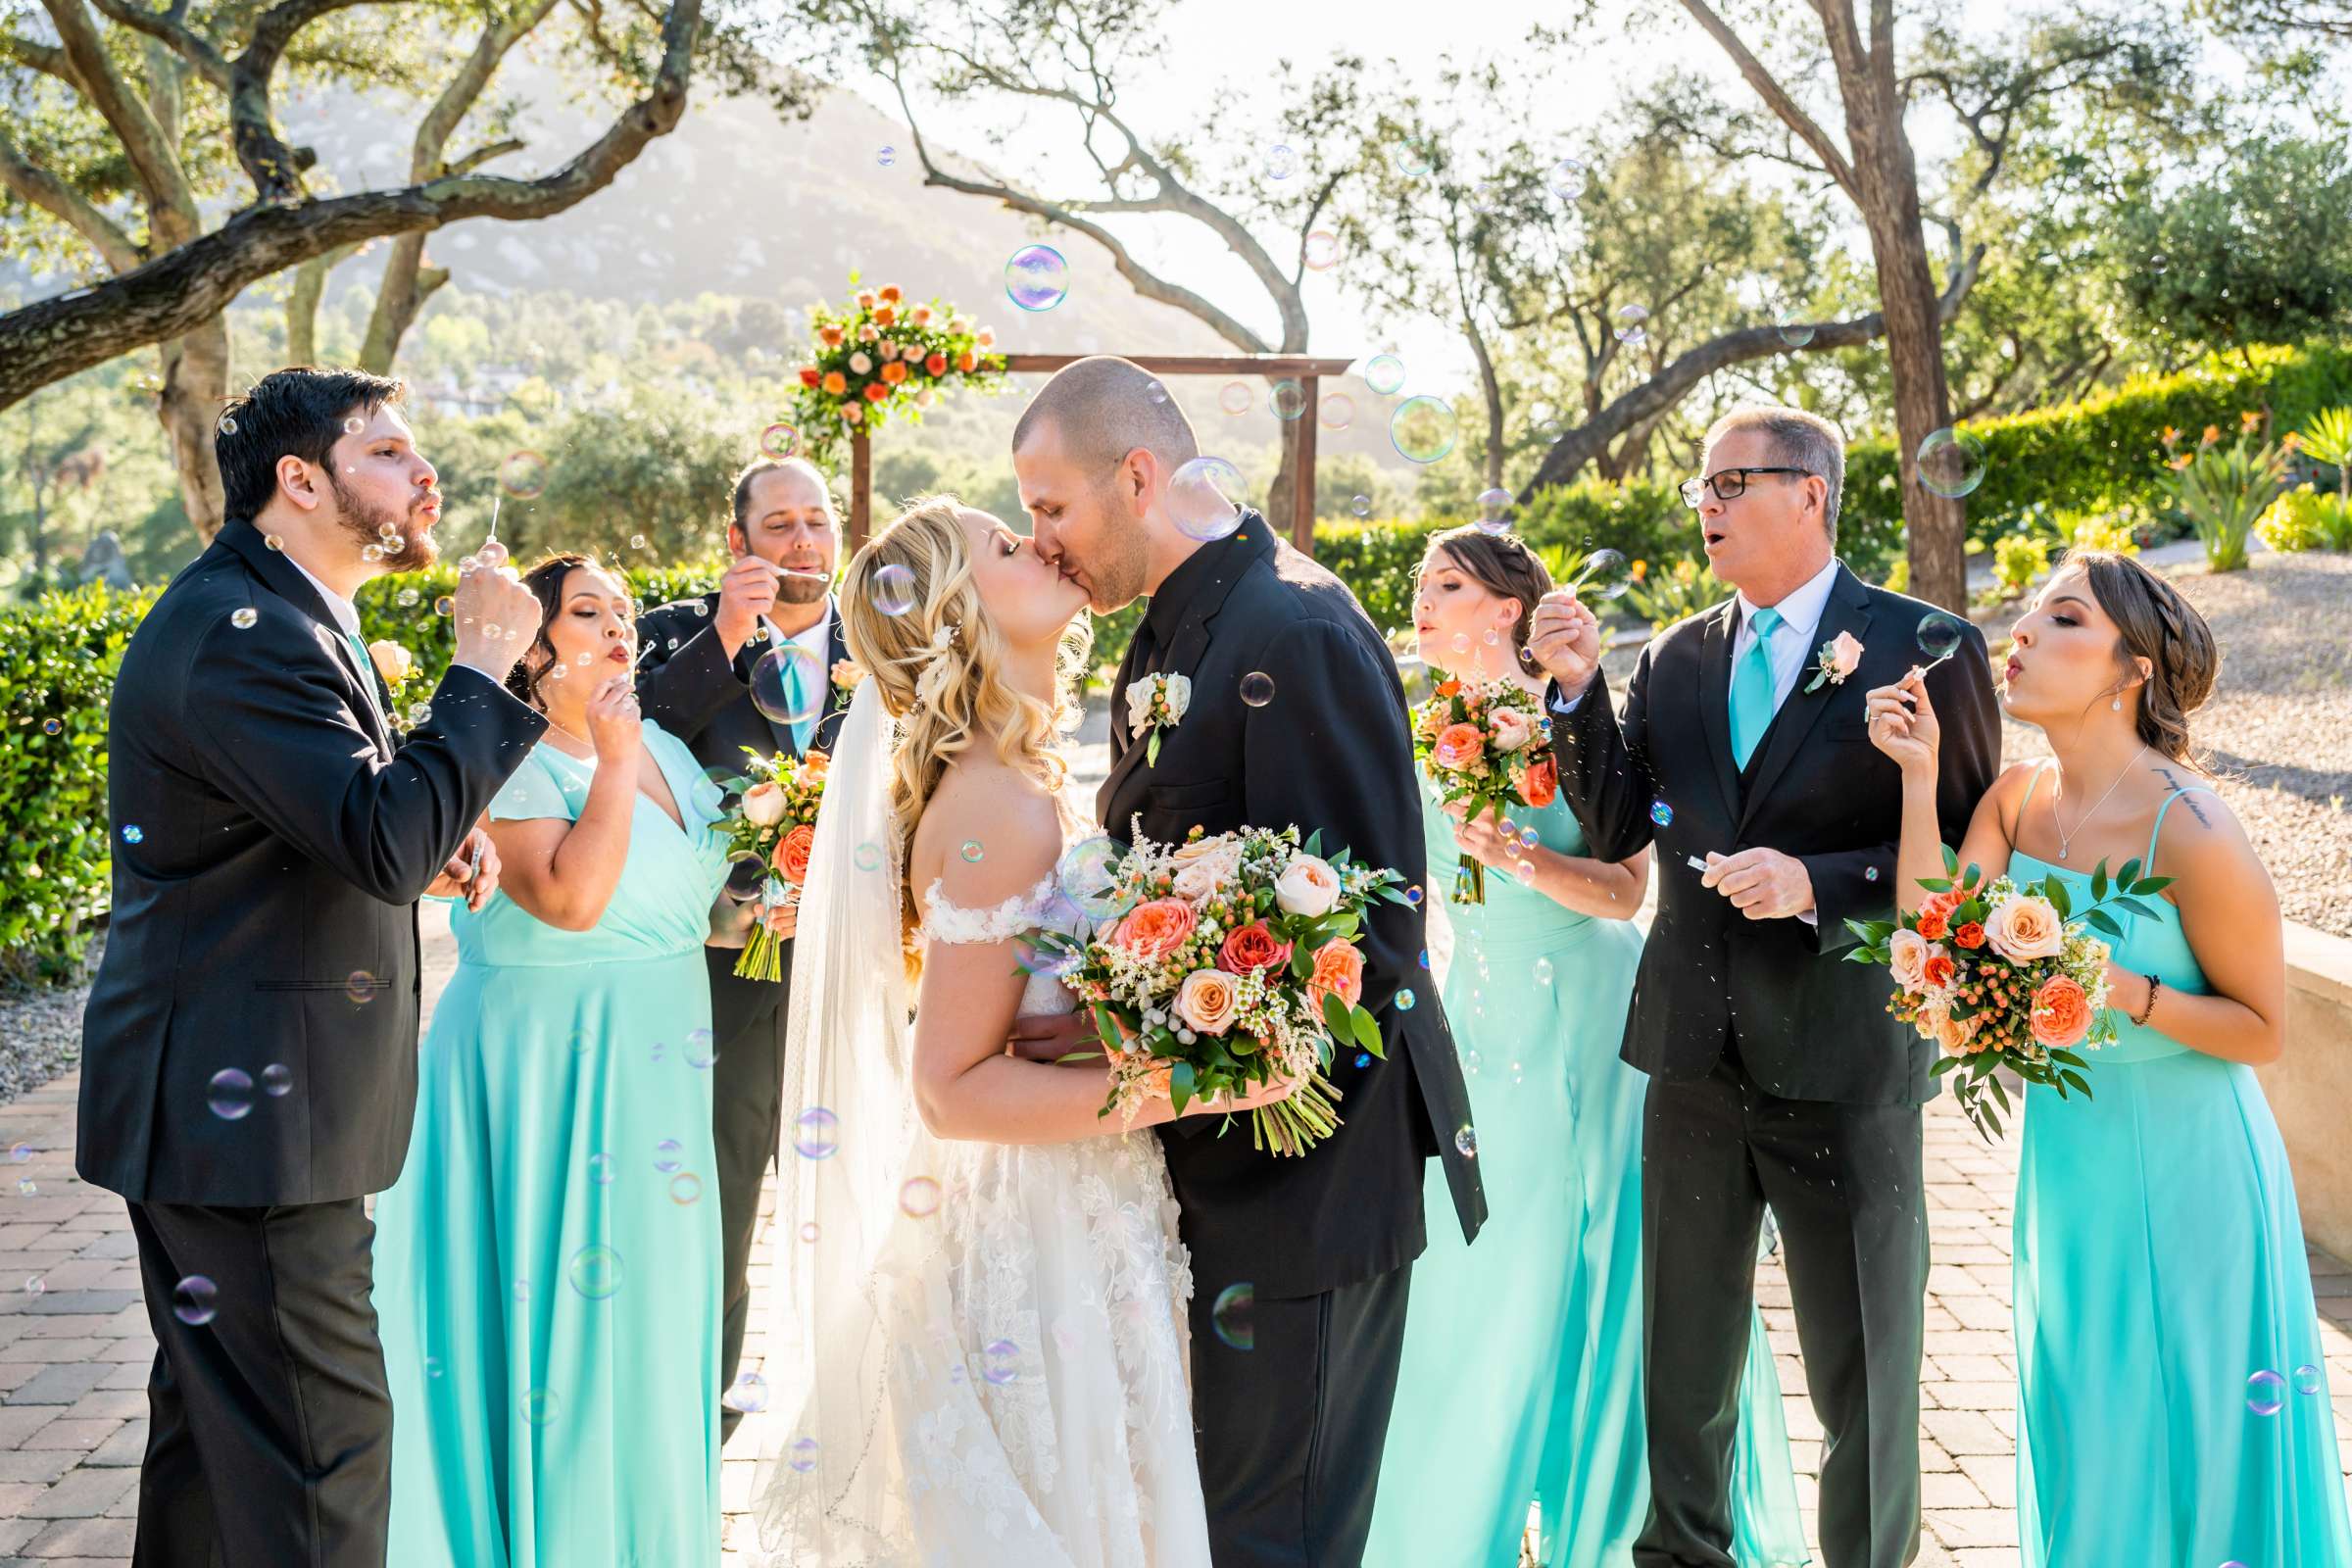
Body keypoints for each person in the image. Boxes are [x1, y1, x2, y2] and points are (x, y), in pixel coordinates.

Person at [749, 497, 1294, 1565]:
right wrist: (1200, 1082)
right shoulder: (995, 800)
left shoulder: (1020, 773)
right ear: (956, 612)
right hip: (1036, 1235)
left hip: (1084, 1204)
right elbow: (950, 1090)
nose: (1042, 540)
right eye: (1005, 543)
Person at [1012, 356, 1487, 1568]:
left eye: (1051, 507)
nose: (1043, 540)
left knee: (1280, 1542)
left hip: (1306, 1188)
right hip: (1216, 1175)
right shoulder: (1175, 623)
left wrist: (1131, 1035)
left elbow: (1353, 938)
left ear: (1138, 474)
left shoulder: (1297, 625)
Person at [76, 366, 547, 1566]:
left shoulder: (281, 612)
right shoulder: (246, 631)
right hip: (250, 1124)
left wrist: (435, 828)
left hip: (238, 1104)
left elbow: (349, 823)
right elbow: (379, 840)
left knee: (218, 1455)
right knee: (317, 1460)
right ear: (300, 480)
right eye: (386, 451)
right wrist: (483, 668)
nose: (421, 470)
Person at [1527, 405, 2000, 1568]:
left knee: (1864, 1380)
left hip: (1842, 1057)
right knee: (1683, 1368)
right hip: (1690, 1054)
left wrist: (1817, 882)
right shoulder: (1678, 652)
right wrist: (1582, 694)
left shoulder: (1925, 644)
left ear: (1814, 493)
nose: (1709, 503)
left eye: (1735, 481)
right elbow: (1620, 819)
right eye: (1704, 485)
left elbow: (1970, 868)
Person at [1864, 551, 2352, 1566]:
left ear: (2131, 668)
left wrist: (2126, 989)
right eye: (2029, 619)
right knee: (2085, 1406)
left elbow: (2263, 1027)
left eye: (2064, 620)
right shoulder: (2012, 799)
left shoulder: (2196, 827)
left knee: (2202, 1427)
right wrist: (1918, 780)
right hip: (2070, 1156)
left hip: (2195, 1168)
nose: (2024, 636)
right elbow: (1933, 941)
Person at [1367, 527, 1809, 1568]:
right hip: (1477, 1009)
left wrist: (1515, 854)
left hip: (1585, 1005)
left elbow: (1626, 888)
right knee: (1478, 1264)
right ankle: (1462, 1512)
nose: (1421, 603)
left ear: (1508, 611)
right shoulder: (1424, 727)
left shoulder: (1558, 725)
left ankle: (1610, 1520)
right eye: (1420, 585)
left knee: (1607, 1254)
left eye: (1448, 585)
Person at [373, 553, 734, 1565]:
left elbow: (680, 900)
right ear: (534, 647)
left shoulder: (664, 742)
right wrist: (613, 762)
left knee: (650, 1326)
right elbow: (572, 900)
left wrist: (765, 903)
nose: (620, 625)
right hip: (543, 1071)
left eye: (623, 609)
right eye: (587, 611)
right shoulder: (516, 758)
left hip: (660, 1068)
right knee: (558, 1324)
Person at [637, 456, 854, 1438]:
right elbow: (630, 745)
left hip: (850, 972)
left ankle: (862, 1396)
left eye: (816, 521)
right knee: (718, 1187)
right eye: (778, 524)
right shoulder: (676, 635)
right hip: (715, 974)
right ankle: (698, 1399)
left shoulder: (889, 644)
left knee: (862, 1186)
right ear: (737, 543)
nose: (802, 540)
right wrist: (726, 635)